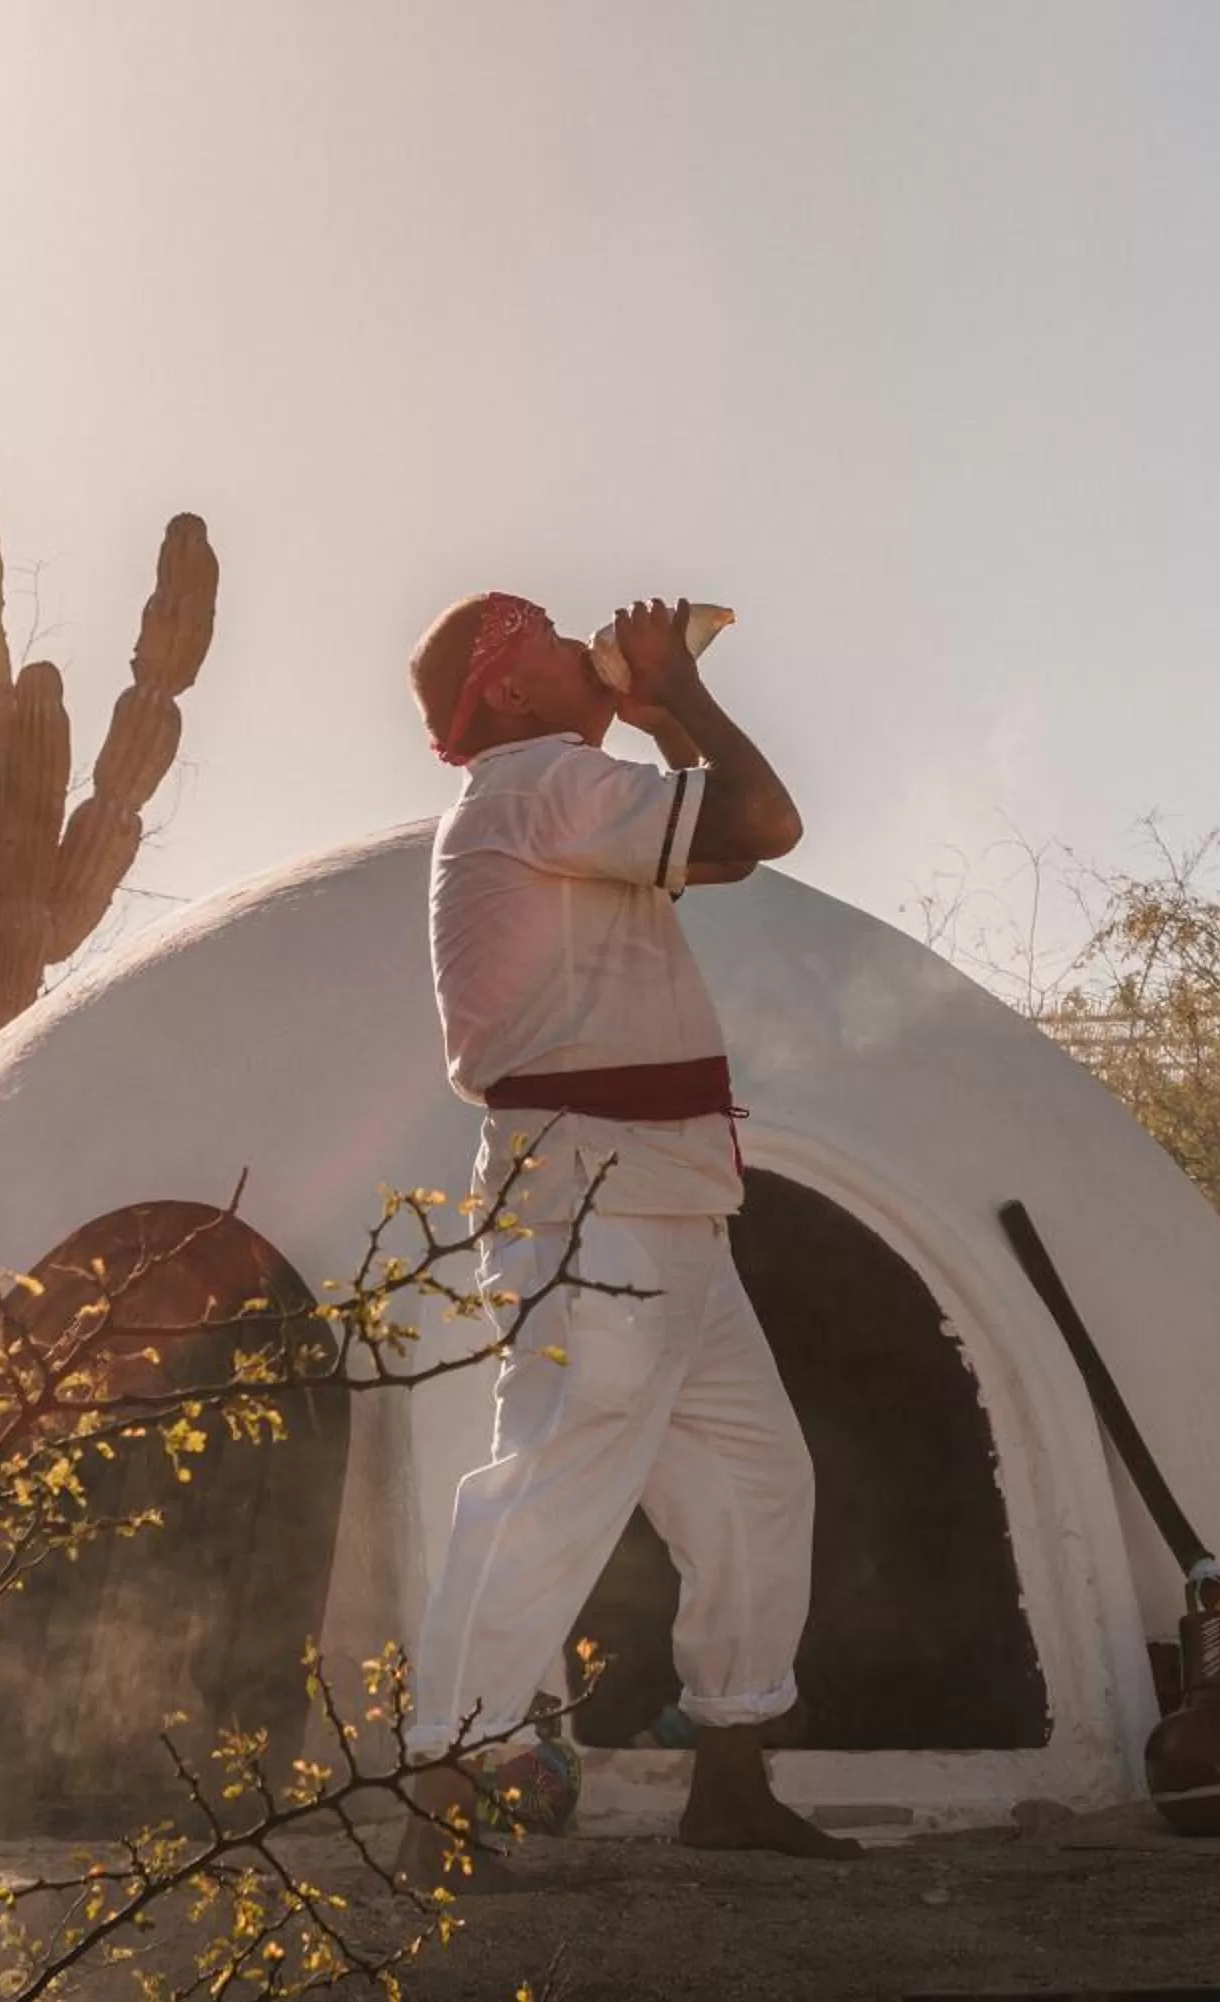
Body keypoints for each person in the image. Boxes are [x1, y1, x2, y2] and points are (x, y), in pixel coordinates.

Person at [392, 591, 860, 1893]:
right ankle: (439, 1796)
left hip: (660, 1196)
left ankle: (731, 1781)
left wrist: (656, 718)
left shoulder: (555, 790)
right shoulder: (538, 782)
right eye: (543, 635)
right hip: (596, 1199)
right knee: (552, 1481)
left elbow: (720, 845)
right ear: (509, 689)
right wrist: (679, 694)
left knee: (756, 1479)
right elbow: (763, 824)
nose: (573, 641)